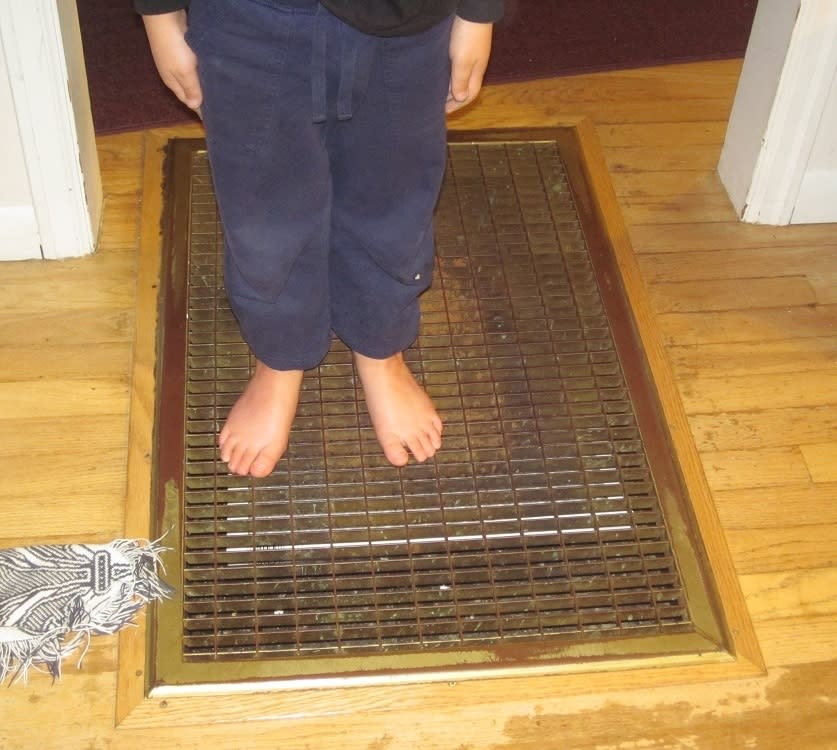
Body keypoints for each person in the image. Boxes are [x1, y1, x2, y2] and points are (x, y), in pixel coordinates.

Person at [137, 0, 503, 478]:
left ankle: (380, 346)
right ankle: (281, 355)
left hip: (411, 19)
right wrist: (158, 16)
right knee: (265, 205)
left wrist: (479, 14)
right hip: (248, 19)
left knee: (393, 192)